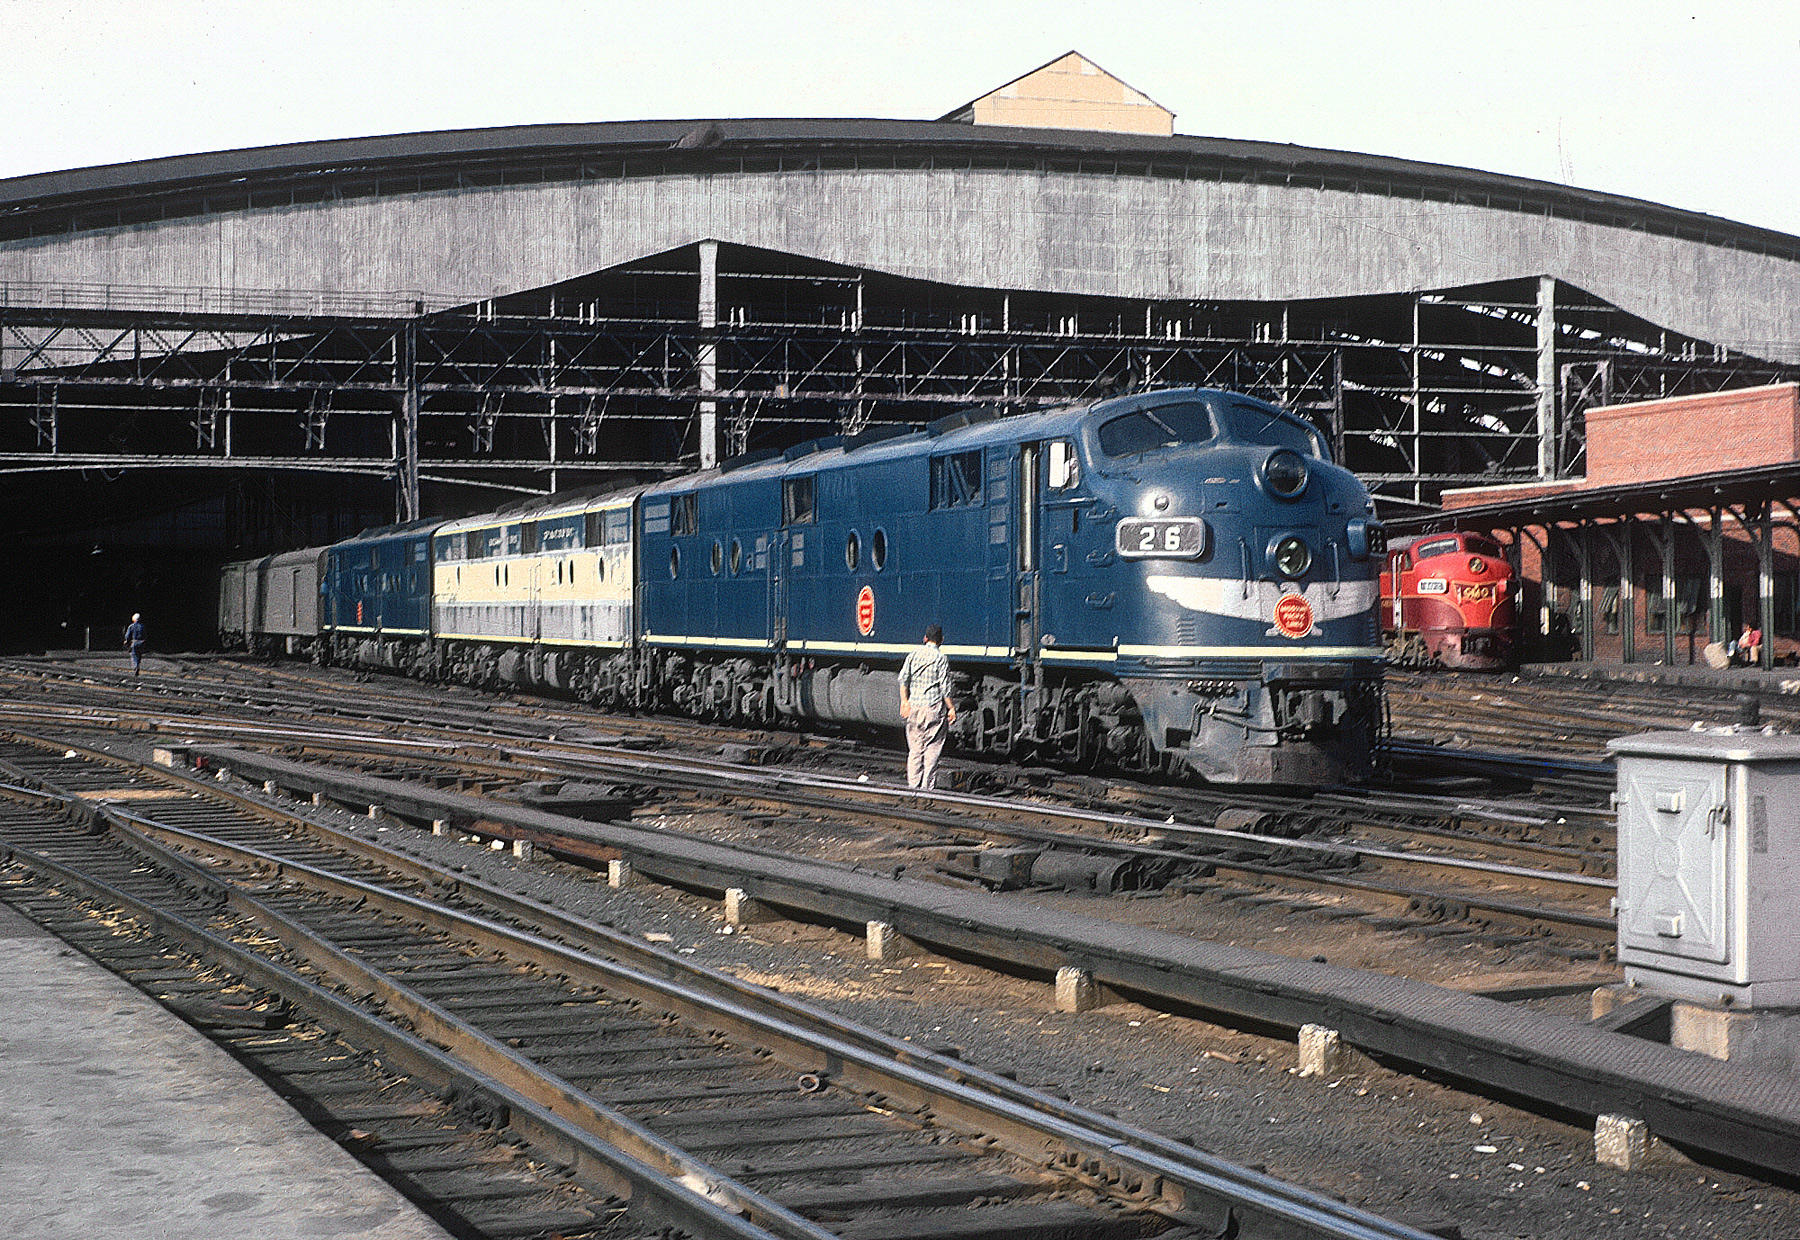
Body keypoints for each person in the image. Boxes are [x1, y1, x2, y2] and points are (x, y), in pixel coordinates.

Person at [897, 624, 956, 790]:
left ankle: (913, 786)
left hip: (914, 708)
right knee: (932, 750)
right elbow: (946, 688)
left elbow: (903, 680)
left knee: (915, 749)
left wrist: (904, 702)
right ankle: (927, 789)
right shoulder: (940, 658)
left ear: (925, 638)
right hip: (933, 708)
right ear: (941, 640)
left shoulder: (913, 655)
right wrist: (951, 708)